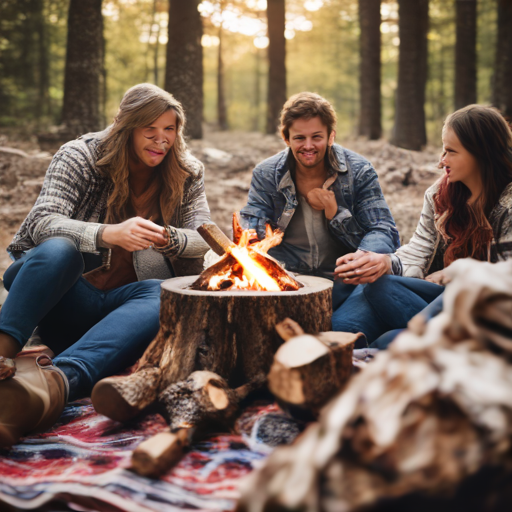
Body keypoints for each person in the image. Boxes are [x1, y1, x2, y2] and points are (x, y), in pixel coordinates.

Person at [0, 83, 211, 448]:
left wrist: (169, 238)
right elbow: (42, 223)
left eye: (170, 129)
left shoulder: (187, 171)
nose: (161, 140)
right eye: (150, 129)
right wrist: (107, 234)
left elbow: (204, 236)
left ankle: (50, 387)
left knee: (163, 294)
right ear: (127, 126)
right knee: (60, 249)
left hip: (123, 317)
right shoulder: (80, 156)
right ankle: (2, 352)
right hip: (64, 295)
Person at [333, 104, 512, 345]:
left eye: (450, 151)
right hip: (435, 297)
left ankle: (415, 343)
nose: (441, 161)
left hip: (483, 312)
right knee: (351, 319)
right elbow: (420, 248)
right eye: (443, 150)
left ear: (481, 152)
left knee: (387, 339)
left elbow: (503, 282)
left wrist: (452, 274)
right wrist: (384, 262)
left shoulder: (508, 206)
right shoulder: (440, 194)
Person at [240, 92, 400, 323]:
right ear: (286, 138)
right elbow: (251, 224)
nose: (308, 146)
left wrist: (344, 224)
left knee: (343, 329)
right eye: (299, 138)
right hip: (287, 281)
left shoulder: (359, 170)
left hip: (345, 282)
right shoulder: (266, 173)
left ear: (330, 136)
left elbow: (382, 228)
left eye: (316, 137)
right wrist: (251, 240)